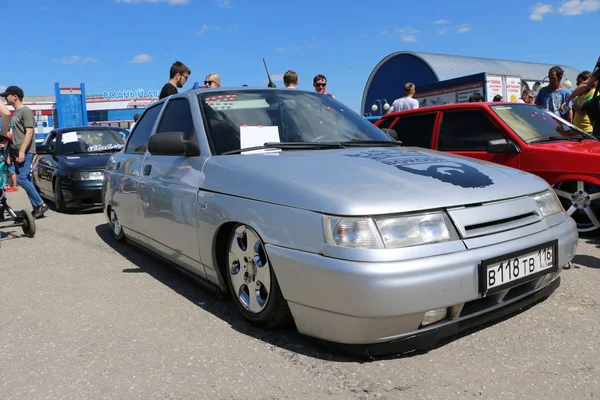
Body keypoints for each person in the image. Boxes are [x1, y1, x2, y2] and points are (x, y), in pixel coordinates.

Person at [0, 86, 47, 218]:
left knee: (22, 178)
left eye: (7, 95)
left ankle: (41, 204)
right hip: (17, 150)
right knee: (25, 179)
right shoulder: (16, 113)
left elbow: (30, 132)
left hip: (26, 151)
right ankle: (36, 207)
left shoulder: (25, 111)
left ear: (15, 96)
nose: (5, 98)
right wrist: (10, 153)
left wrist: (22, 151)